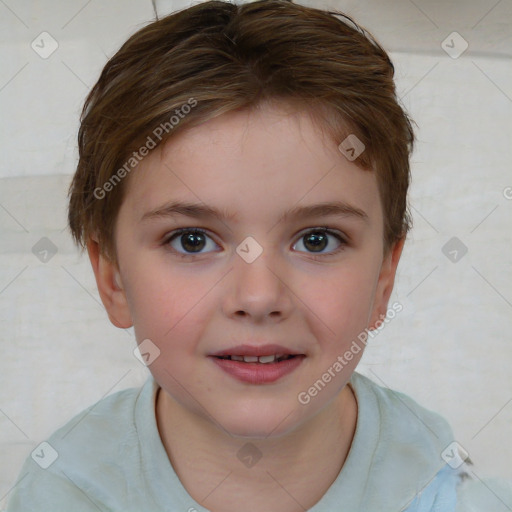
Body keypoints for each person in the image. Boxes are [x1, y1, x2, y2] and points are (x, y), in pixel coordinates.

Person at [6, 1, 510, 511]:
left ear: (384, 277)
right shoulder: (61, 494)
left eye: (317, 239)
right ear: (112, 277)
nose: (259, 296)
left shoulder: (451, 492)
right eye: (192, 240)